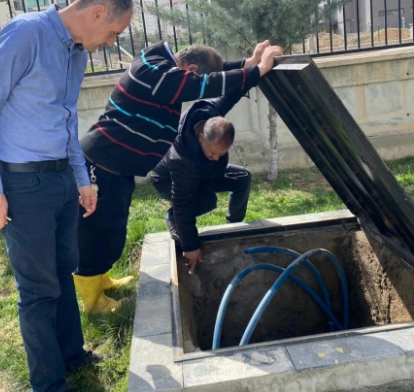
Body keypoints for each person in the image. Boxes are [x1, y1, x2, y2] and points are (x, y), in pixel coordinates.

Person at [0, 1, 133, 392]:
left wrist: (81, 180)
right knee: (38, 289)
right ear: (97, 11)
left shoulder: (74, 52)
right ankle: (48, 387)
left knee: (62, 271)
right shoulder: (26, 35)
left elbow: (67, 119)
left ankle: (72, 356)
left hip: (59, 181)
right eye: (113, 33)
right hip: (22, 185)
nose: (111, 43)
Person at [74, 39, 281, 313]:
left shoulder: (161, 68)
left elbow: (208, 82)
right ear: (190, 68)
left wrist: (247, 64)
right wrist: (256, 71)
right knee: (95, 232)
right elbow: (203, 85)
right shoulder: (155, 73)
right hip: (100, 164)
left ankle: (102, 280)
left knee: (111, 230)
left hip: (118, 168)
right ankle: (92, 302)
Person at [149, 43, 280, 273]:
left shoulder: (212, 113)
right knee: (205, 201)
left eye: (220, 155)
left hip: (202, 174)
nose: (215, 158)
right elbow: (184, 202)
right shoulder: (184, 158)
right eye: (212, 153)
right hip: (168, 178)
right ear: (201, 139)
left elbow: (234, 89)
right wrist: (190, 246)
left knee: (242, 178)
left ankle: (234, 226)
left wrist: (258, 66)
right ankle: (172, 218)